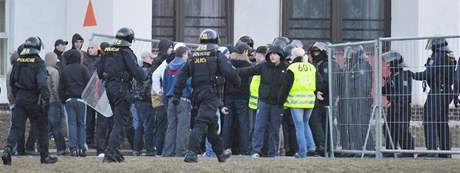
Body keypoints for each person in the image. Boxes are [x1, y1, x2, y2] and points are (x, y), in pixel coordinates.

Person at [174, 29, 241, 163]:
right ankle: (191, 152)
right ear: (216, 40)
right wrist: (237, 82)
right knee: (200, 123)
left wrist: (176, 95)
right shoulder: (216, 55)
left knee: (212, 127)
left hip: (197, 94)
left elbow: (181, 76)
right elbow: (229, 72)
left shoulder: (193, 57)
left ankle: (220, 153)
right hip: (211, 94)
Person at [2, 37, 58, 165]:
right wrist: (45, 98)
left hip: (20, 98)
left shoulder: (18, 61)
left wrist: (18, 96)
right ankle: (45, 157)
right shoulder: (39, 62)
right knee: (42, 126)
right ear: (37, 47)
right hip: (35, 99)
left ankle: (8, 150)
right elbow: (42, 82)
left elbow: (12, 81)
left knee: (16, 128)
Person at [97, 27, 145, 162]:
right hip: (122, 89)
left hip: (109, 89)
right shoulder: (126, 52)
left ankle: (115, 150)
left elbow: (100, 72)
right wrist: (144, 74)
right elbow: (137, 72)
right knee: (120, 122)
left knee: (116, 122)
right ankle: (111, 151)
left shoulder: (108, 51)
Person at [238, 45, 288, 158]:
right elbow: (249, 71)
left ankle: (273, 152)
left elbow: (289, 85)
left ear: (280, 56)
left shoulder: (286, 68)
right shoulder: (264, 66)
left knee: (274, 129)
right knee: (259, 127)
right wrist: (235, 71)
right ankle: (256, 151)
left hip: (277, 104)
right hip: (264, 101)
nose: (272, 56)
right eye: (270, 54)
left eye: (275, 54)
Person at [412, 38, 456, 158]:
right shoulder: (450, 54)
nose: (431, 47)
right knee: (442, 122)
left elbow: (429, 73)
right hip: (447, 91)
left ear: (436, 45)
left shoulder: (438, 55)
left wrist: (413, 75)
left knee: (429, 120)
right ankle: (445, 151)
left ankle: (431, 150)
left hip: (437, 92)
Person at [279, 47, 316, 158]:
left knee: (299, 125)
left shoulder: (292, 68)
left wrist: (281, 101)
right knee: (306, 123)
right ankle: (312, 146)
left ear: (294, 56)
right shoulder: (311, 67)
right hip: (309, 100)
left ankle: (302, 152)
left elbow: (286, 87)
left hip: (297, 101)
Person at [381, 51, 415, 158]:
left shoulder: (404, 75)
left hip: (402, 107)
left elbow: (404, 95)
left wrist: (397, 106)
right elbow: (387, 91)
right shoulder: (393, 76)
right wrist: (384, 86)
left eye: (389, 63)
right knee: (388, 128)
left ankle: (408, 152)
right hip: (393, 106)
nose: (388, 65)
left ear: (395, 63)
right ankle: (390, 149)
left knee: (402, 129)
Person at [222, 42, 252, 155]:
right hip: (242, 97)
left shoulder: (228, 64)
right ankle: (244, 150)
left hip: (229, 97)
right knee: (243, 123)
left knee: (227, 123)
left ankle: (225, 147)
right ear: (244, 52)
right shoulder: (248, 66)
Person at [59, 49, 91, 157]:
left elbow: (61, 87)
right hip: (81, 100)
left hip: (69, 100)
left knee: (71, 124)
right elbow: (89, 84)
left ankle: (73, 149)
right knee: (81, 124)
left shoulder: (65, 70)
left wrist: (63, 99)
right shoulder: (84, 69)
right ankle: (82, 147)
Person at [162, 46, 192, 157]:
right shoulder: (185, 65)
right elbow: (189, 83)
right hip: (183, 98)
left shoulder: (168, 66)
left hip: (170, 99)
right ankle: (181, 151)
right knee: (182, 127)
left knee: (171, 126)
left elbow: (164, 84)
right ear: (184, 54)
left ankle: (168, 151)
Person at [308, 41, 337, 156]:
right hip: (319, 98)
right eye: (314, 51)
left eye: (317, 51)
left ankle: (326, 147)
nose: (315, 54)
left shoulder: (327, 64)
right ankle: (322, 147)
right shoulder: (318, 63)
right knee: (318, 123)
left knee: (325, 123)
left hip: (326, 98)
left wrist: (319, 91)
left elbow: (327, 81)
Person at [150, 39, 175, 155]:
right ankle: (159, 149)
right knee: (162, 124)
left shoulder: (164, 60)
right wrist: (158, 90)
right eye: (170, 47)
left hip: (160, 95)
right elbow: (155, 75)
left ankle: (161, 149)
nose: (172, 49)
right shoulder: (161, 61)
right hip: (160, 97)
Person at [131, 52, 156, 156]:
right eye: (151, 58)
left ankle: (136, 149)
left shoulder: (138, 70)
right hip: (145, 101)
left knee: (139, 126)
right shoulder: (149, 71)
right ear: (146, 58)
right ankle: (149, 150)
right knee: (148, 126)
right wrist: (151, 100)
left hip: (136, 101)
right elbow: (147, 87)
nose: (152, 60)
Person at [44, 52, 67, 155]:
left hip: (43, 103)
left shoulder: (41, 70)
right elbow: (55, 87)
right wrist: (58, 100)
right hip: (53, 102)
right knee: (57, 126)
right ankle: (61, 148)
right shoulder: (54, 72)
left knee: (45, 127)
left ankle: (42, 148)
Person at [95, 42, 113, 157]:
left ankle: (101, 149)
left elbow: (99, 75)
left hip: (102, 94)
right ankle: (109, 147)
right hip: (112, 93)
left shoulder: (100, 61)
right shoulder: (114, 60)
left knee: (102, 123)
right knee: (111, 122)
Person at [83, 42, 101, 148]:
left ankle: (99, 141)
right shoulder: (85, 61)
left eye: (92, 48)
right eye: (89, 48)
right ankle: (89, 141)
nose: (90, 50)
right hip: (89, 93)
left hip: (99, 92)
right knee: (89, 119)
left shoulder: (100, 59)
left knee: (100, 119)